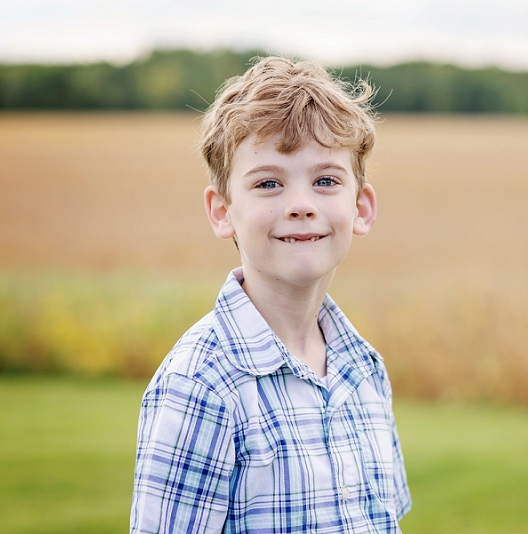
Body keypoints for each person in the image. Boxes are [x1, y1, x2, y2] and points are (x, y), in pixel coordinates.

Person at [130, 56, 411, 533]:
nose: (301, 205)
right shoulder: (200, 386)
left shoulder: (364, 369)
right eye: (268, 183)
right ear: (222, 211)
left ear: (361, 207)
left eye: (325, 181)